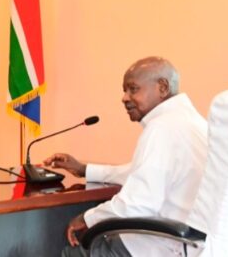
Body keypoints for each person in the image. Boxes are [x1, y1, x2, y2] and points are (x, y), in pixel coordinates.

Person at [44, 57, 208, 256]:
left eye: (133, 89)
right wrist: (84, 169)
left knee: (67, 252)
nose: (124, 97)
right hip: (191, 245)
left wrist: (86, 219)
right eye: (124, 90)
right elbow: (140, 172)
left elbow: (135, 205)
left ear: (162, 88)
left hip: (159, 246)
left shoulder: (162, 128)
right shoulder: (192, 123)